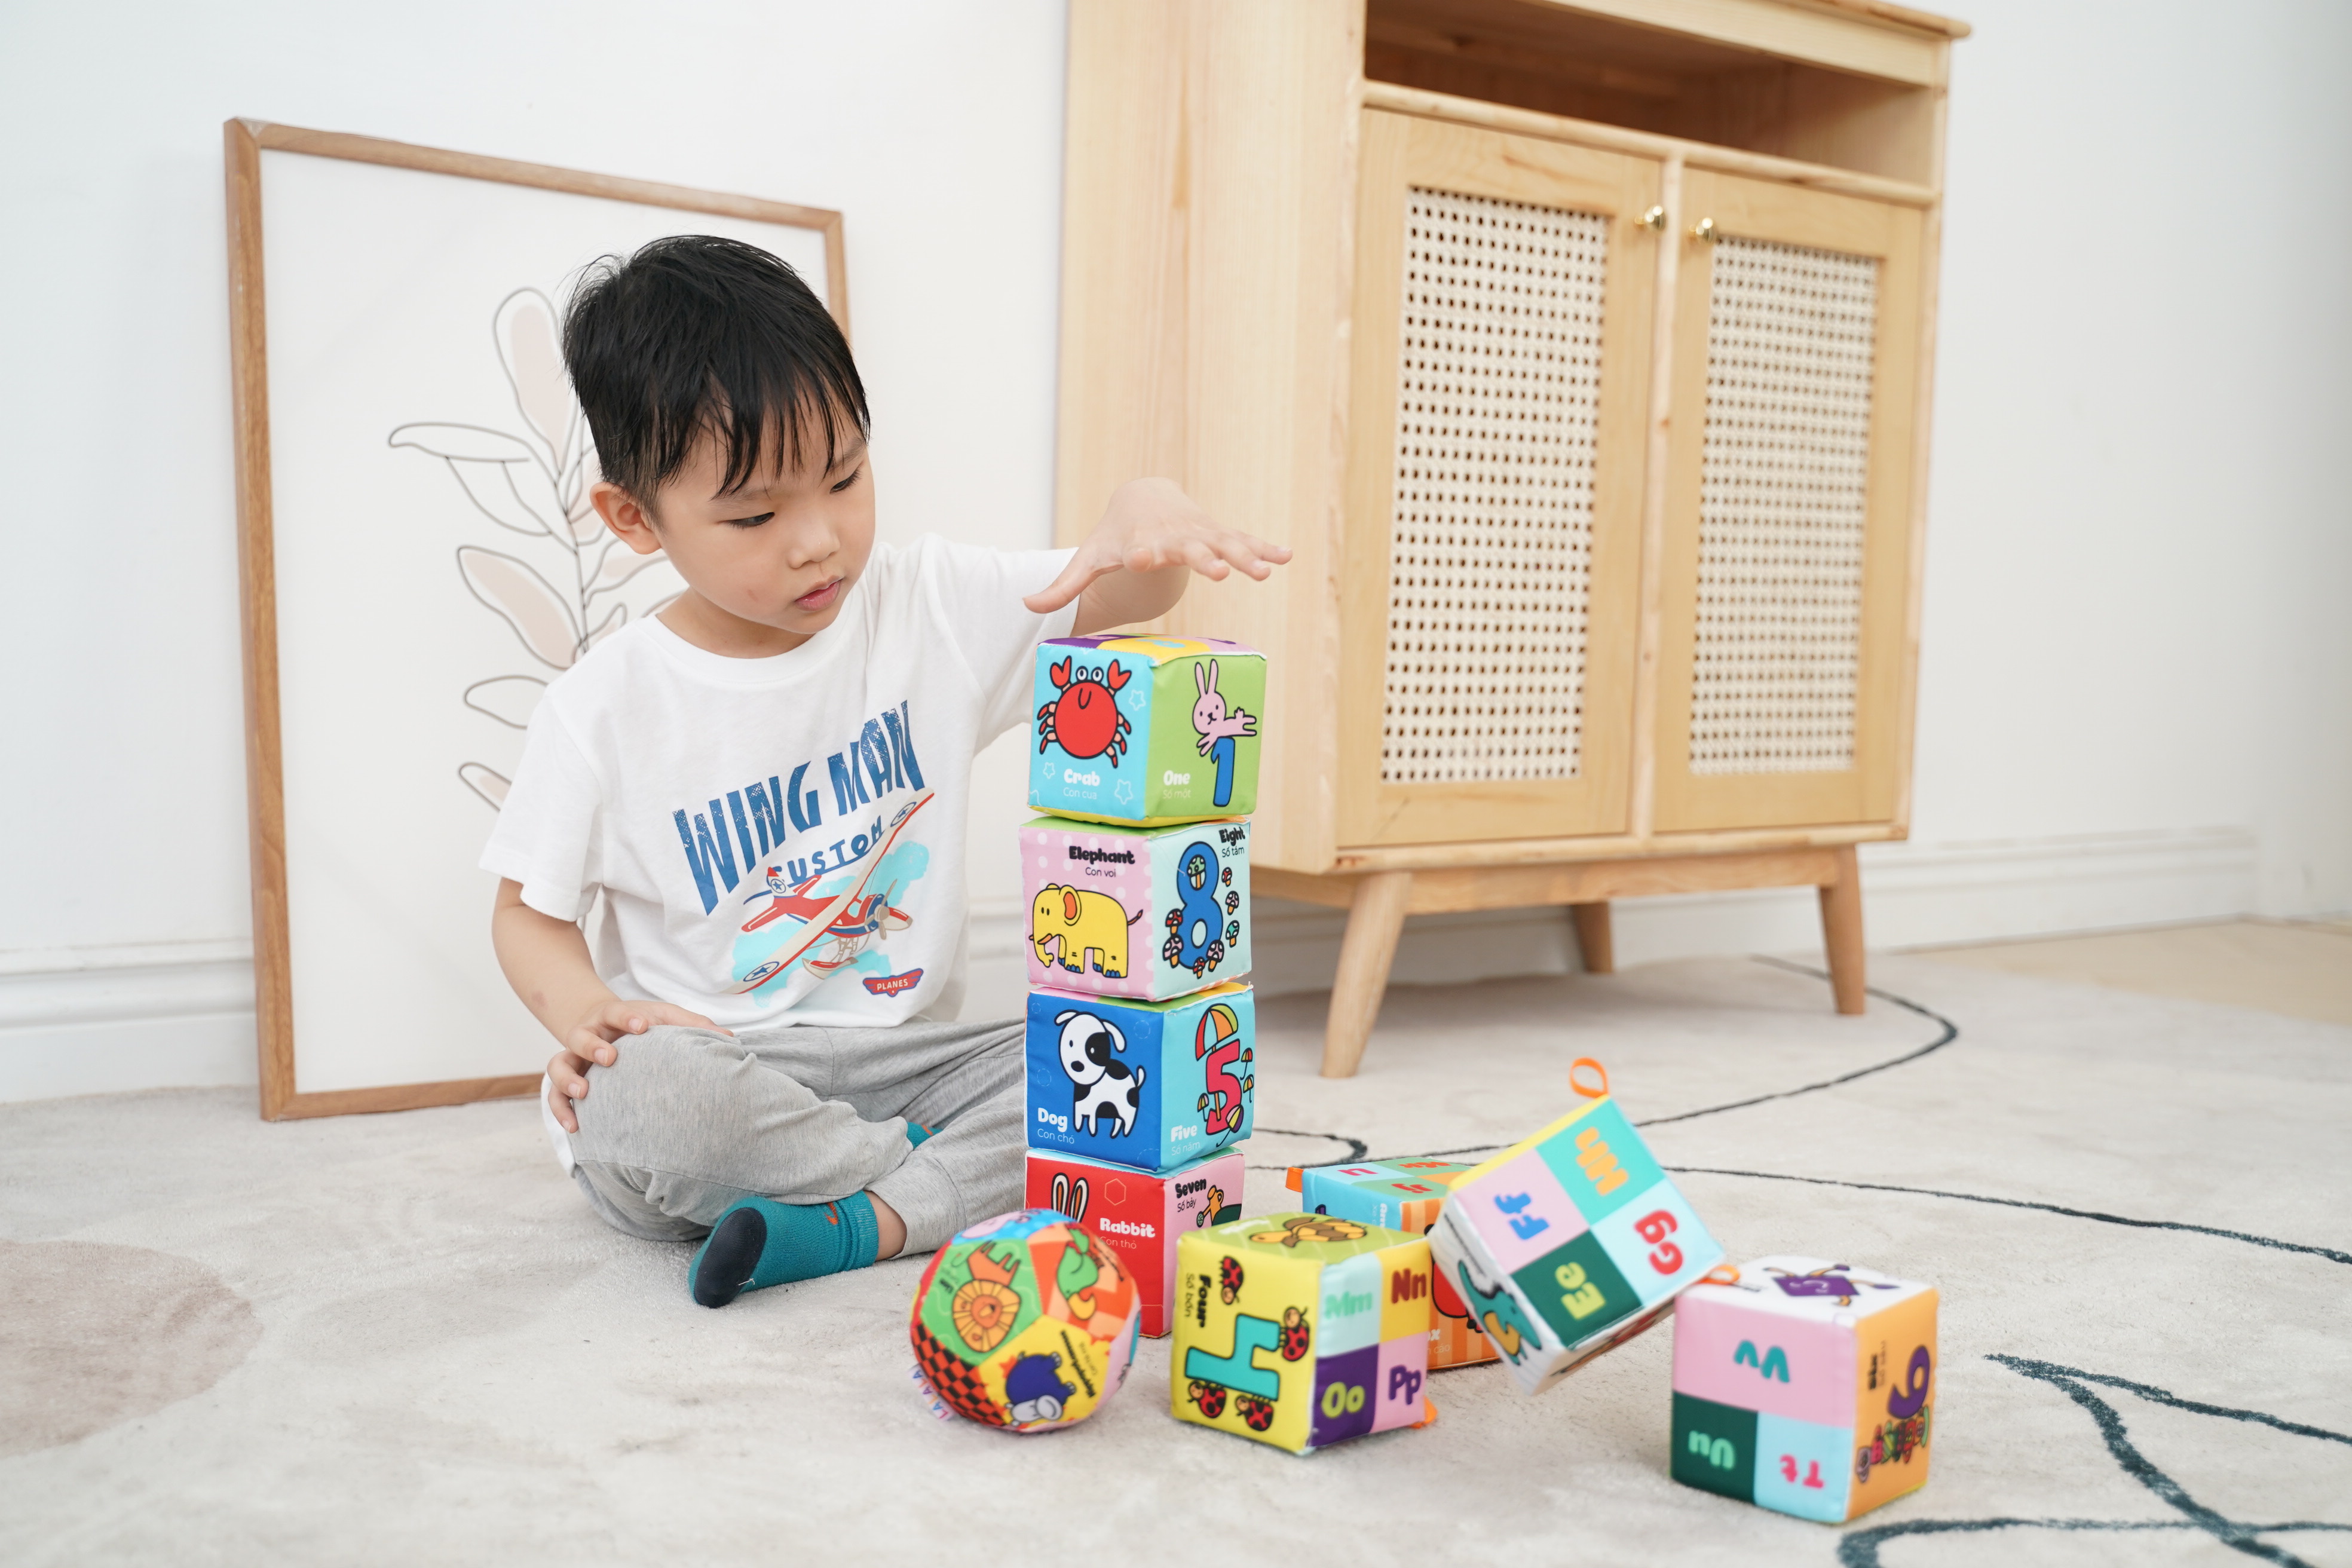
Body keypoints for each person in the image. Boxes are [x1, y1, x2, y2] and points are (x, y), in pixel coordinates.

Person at [483, 235, 1286, 1307]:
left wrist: (1144, 513)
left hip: (910, 1060)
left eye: (847, 478)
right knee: (640, 1103)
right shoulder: (602, 706)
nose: (819, 540)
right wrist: (591, 1014)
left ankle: (857, 1223)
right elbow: (526, 913)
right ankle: (913, 1179)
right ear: (635, 518)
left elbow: (1115, 592)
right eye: (756, 515)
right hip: (722, 1060)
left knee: (1141, 1058)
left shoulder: (929, 607)